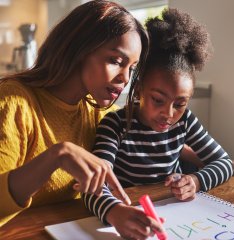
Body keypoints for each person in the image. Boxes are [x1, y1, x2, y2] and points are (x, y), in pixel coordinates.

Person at [0, 1, 165, 237]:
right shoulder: (14, 100)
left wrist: (207, 162)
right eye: (116, 61)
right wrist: (56, 156)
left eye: (132, 68)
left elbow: (147, 135)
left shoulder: (99, 114)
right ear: (77, 50)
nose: (125, 78)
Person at [85, 7, 233, 238]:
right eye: (157, 100)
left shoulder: (184, 121)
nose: (169, 113)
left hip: (174, 216)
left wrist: (195, 181)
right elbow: (93, 185)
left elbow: (224, 163)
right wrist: (114, 210)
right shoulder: (115, 124)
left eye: (180, 103)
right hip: (130, 215)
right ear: (141, 87)